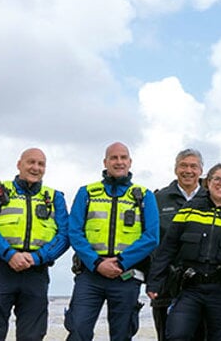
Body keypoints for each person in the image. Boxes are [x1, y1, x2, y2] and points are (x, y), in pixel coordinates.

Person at [147, 163, 221, 341]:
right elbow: (168, 247)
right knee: (177, 334)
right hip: (191, 288)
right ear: (208, 182)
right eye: (217, 179)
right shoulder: (190, 208)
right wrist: (154, 283)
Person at [64, 142, 160, 341]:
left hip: (126, 275)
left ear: (130, 162)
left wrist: (120, 262)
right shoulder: (87, 193)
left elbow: (151, 237)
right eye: (114, 158)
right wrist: (97, 263)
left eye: (123, 158)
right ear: (105, 162)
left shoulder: (144, 196)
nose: (119, 162)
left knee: (122, 335)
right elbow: (74, 232)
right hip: (90, 274)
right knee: (78, 330)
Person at [0, 147, 71, 341]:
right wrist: (10, 255)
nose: (35, 167)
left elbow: (65, 235)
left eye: (40, 164)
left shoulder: (55, 198)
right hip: (0, 269)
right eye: (30, 162)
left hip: (36, 271)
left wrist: (37, 258)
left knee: (33, 335)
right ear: (19, 164)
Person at [152, 149, 207, 341]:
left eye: (193, 166)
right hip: (167, 284)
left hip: (203, 284)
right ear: (176, 169)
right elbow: (151, 241)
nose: (188, 171)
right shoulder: (158, 199)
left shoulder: (212, 198)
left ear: (201, 170)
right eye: (183, 165)